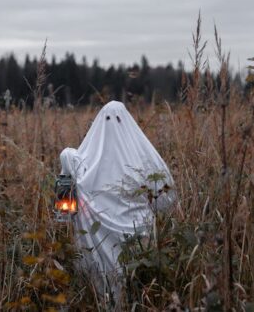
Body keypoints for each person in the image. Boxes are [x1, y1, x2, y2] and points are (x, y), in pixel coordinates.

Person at [59, 100, 175, 303]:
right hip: (137, 238)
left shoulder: (85, 165)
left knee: (109, 286)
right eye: (109, 120)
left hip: (104, 241)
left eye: (116, 120)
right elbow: (165, 197)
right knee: (135, 283)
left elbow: (71, 169)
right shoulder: (141, 159)